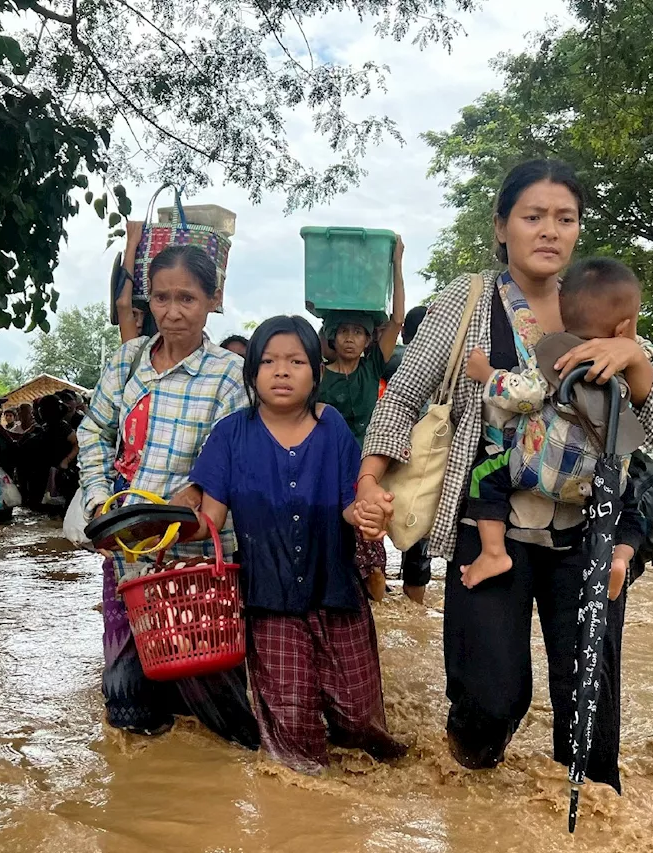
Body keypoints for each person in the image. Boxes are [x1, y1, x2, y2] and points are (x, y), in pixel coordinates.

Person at [355, 160, 653, 788]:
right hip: (491, 514)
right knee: (489, 703)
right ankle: (474, 801)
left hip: (590, 526)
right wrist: (369, 481)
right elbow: (405, 395)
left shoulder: (599, 297)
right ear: (502, 226)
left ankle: (589, 817)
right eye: (533, 217)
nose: (550, 231)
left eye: (565, 218)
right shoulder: (467, 300)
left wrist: (633, 357)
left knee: (590, 707)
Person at [187, 316, 405, 772]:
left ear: (316, 372)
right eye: (268, 361)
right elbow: (210, 519)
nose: (281, 371)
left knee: (361, 725)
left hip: (338, 592)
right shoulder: (230, 434)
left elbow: (350, 503)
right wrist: (159, 526)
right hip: (270, 601)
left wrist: (366, 513)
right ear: (251, 372)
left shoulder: (334, 429)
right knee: (293, 739)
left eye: (295, 361)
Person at [78, 244, 258, 746]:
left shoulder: (227, 375)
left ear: (212, 300)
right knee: (127, 704)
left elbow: (225, 457)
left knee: (217, 704)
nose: (172, 311)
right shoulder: (127, 362)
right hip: (126, 552)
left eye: (187, 298)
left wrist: (195, 493)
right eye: (160, 297)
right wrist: (97, 502)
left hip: (194, 558)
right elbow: (93, 431)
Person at [459, 257, 649, 593]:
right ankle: (619, 557)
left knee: (484, 477)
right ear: (623, 329)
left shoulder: (555, 357)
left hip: (539, 471)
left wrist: (488, 375)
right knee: (631, 503)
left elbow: (526, 396)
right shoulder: (620, 369)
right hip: (601, 485)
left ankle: (493, 552)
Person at [317, 235, 406, 601]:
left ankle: (378, 609)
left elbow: (398, 318)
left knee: (371, 546)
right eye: (343, 332)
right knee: (332, 539)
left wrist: (396, 263)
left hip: (369, 464)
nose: (350, 339)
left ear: (369, 339)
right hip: (329, 467)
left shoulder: (372, 366)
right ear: (332, 337)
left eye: (358, 332)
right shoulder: (318, 373)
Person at [388, 304, 432, 604]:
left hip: (390, 450)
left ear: (404, 331)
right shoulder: (444, 359)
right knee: (419, 527)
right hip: (429, 455)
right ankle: (415, 600)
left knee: (381, 519)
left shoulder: (396, 358)